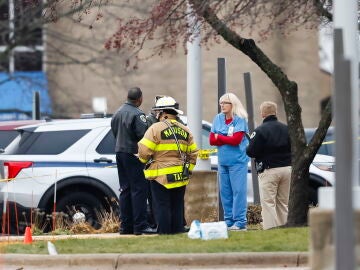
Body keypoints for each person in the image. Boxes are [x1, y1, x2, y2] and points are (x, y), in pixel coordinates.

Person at [138, 96, 198, 234]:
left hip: (161, 177)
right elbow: (193, 152)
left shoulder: (155, 128)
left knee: (162, 205)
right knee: (177, 205)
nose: (156, 115)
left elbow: (144, 151)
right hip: (180, 176)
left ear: (163, 113)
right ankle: (177, 231)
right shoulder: (185, 130)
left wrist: (143, 160)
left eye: (157, 112)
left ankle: (164, 233)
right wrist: (187, 169)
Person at [111, 87, 157, 235]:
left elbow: (114, 132)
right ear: (140, 99)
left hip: (120, 153)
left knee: (125, 190)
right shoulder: (138, 114)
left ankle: (126, 226)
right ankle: (140, 226)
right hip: (133, 154)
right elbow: (143, 136)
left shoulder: (117, 113)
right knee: (139, 190)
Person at [246, 101, 291, 230]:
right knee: (283, 202)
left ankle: (271, 229)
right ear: (275, 112)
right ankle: (285, 228)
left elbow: (251, 151)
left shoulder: (260, 131)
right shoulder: (286, 128)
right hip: (287, 169)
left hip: (269, 170)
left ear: (262, 114)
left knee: (268, 203)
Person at [209, 93, 249, 231]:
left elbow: (236, 140)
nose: (222, 105)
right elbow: (211, 140)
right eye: (221, 103)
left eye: (225, 103)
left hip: (237, 162)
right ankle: (229, 221)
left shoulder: (240, 120)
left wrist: (219, 136)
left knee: (238, 192)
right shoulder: (217, 118)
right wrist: (225, 137)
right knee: (225, 192)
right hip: (223, 162)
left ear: (233, 104)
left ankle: (240, 221)